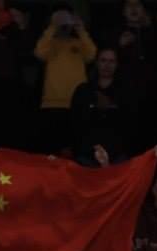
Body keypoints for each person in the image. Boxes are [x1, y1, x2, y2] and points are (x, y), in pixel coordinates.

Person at [35, 7, 97, 153]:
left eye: (67, 19)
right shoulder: (50, 43)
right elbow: (39, 52)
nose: (64, 23)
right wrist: (53, 26)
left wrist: (80, 29)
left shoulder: (79, 43)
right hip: (52, 103)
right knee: (52, 148)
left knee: (76, 147)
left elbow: (91, 54)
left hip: (77, 103)